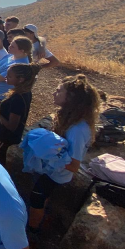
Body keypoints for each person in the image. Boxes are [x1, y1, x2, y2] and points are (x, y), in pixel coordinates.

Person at [27, 74, 100, 233]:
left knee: (36, 197)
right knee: (41, 196)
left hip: (56, 174)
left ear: (71, 98)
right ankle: (41, 219)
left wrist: (50, 152)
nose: (54, 93)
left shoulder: (78, 130)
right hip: (51, 168)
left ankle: (32, 231)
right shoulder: (68, 118)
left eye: (59, 91)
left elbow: (74, 165)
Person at [0, 63, 42, 164]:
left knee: (0, 159)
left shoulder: (18, 98)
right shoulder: (25, 92)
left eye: (9, 76)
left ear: (20, 79)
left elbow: (11, 126)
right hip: (11, 136)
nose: (6, 77)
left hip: (7, 138)